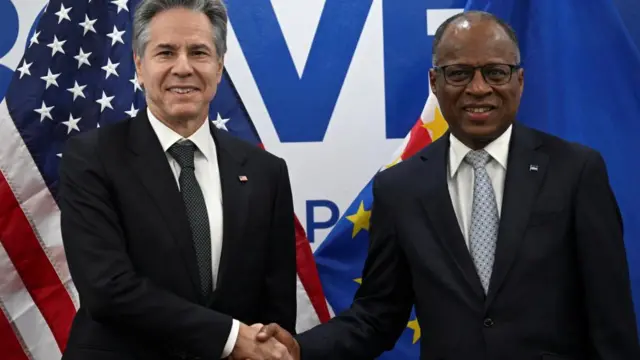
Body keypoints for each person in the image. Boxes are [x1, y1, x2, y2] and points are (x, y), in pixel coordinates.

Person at [254, 11, 640, 360]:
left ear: (519, 81)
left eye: (495, 72)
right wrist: (301, 347)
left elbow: (611, 318)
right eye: (459, 73)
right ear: (435, 83)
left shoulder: (576, 171)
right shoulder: (399, 188)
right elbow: (377, 316)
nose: (478, 88)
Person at [58, 1, 296, 359]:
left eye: (199, 52)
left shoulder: (267, 172)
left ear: (219, 67)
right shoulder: (92, 158)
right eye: (165, 52)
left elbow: (275, 308)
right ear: (139, 66)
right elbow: (106, 289)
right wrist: (231, 338)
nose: (182, 68)